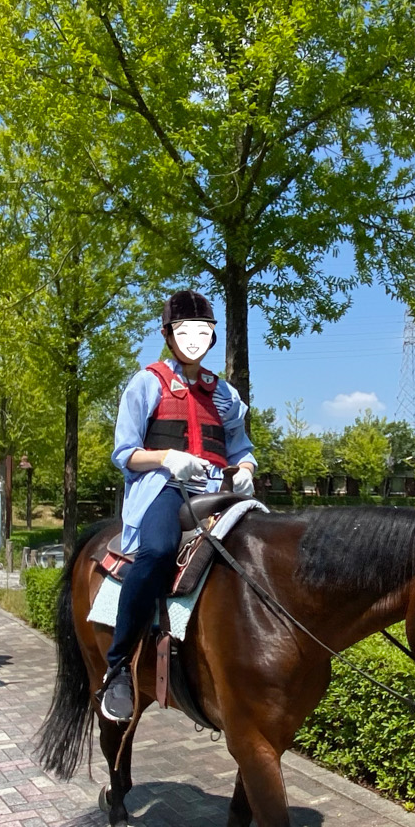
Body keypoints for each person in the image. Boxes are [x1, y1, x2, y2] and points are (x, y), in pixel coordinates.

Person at [99, 289, 257, 722]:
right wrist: (167, 459)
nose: (194, 340)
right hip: (167, 488)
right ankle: (118, 668)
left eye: (203, 332)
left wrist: (245, 466)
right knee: (157, 551)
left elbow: (241, 446)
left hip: (221, 487)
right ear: (168, 335)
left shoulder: (225, 394)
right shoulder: (146, 383)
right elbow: (124, 453)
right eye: (185, 332)